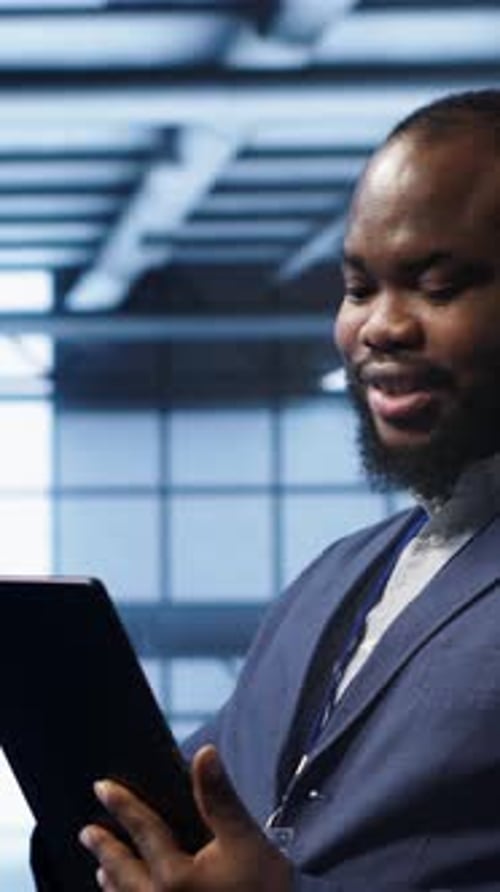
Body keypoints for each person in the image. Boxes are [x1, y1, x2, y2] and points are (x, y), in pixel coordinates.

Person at [36, 88, 500, 890]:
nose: (379, 326)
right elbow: (211, 820)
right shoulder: (335, 578)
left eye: (436, 284)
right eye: (359, 287)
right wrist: (102, 838)